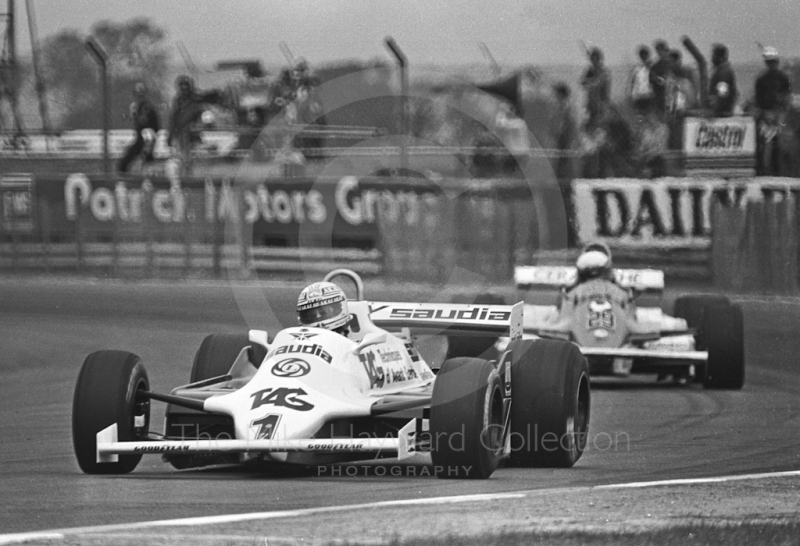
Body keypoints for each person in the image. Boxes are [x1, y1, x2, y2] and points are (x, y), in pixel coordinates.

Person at [167, 75, 222, 175]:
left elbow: (207, 100)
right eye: (181, 86)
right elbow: (173, 118)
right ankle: (185, 173)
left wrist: (214, 94)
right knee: (181, 156)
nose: (184, 89)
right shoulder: (177, 101)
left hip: (192, 133)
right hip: (180, 133)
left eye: (186, 86)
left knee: (190, 155)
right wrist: (170, 135)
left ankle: (190, 173)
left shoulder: (195, 99)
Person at [754, 46, 793, 175]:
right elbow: (758, 102)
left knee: (783, 143)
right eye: (769, 62)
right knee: (766, 143)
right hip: (766, 117)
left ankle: (783, 172)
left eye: (773, 61)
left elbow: (787, 99)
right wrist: (765, 115)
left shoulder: (783, 78)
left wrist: (779, 114)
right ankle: (766, 171)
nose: (771, 64)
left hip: (780, 116)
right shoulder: (761, 80)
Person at [118, 83, 160, 174]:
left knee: (146, 160)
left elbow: (148, 124)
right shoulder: (137, 107)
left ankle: (148, 179)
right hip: (140, 139)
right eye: (137, 94)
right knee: (126, 161)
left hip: (147, 139)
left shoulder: (147, 108)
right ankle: (123, 177)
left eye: (141, 94)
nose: (139, 97)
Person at [580, 47, 610, 126]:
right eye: (593, 59)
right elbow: (582, 82)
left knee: (601, 121)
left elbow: (605, 83)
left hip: (601, 100)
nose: (594, 61)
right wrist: (592, 81)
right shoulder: (589, 70)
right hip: (591, 100)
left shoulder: (603, 70)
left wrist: (597, 79)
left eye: (596, 58)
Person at [709, 43, 737, 117]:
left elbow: (722, 93)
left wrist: (715, 111)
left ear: (720, 57)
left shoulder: (724, 73)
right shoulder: (720, 71)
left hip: (722, 115)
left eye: (714, 55)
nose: (711, 58)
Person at [649, 40, 673, 118]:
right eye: (657, 50)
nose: (659, 53)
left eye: (660, 50)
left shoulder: (672, 64)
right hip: (660, 96)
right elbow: (651, 80)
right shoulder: (656, 66)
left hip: (672, 96)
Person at [629, 45, 653, 113]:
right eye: (642, 55)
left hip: (649, 95)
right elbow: (633, 83)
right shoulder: (636, 69)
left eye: (646, 55)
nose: (644, 57)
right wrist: (632, 96)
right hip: (639, 96)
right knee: (640, 117)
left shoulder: (652, 68)